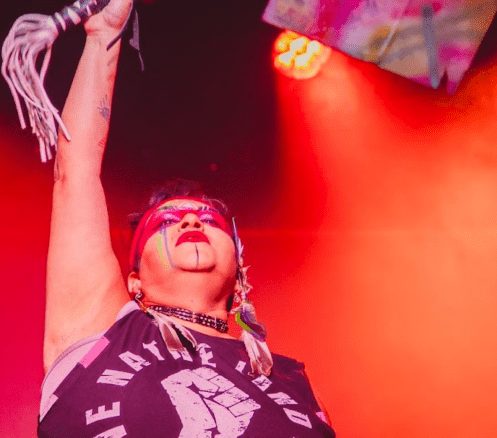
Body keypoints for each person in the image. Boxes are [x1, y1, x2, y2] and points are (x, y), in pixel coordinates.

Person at [38, 1, 335, 436]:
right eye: (167, 221)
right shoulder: (100, 330)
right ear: (134, 281)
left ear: (240, 275)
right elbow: (76, 170)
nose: (192, 222)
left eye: (209, 220)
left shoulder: (292, 380)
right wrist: (103, 37)